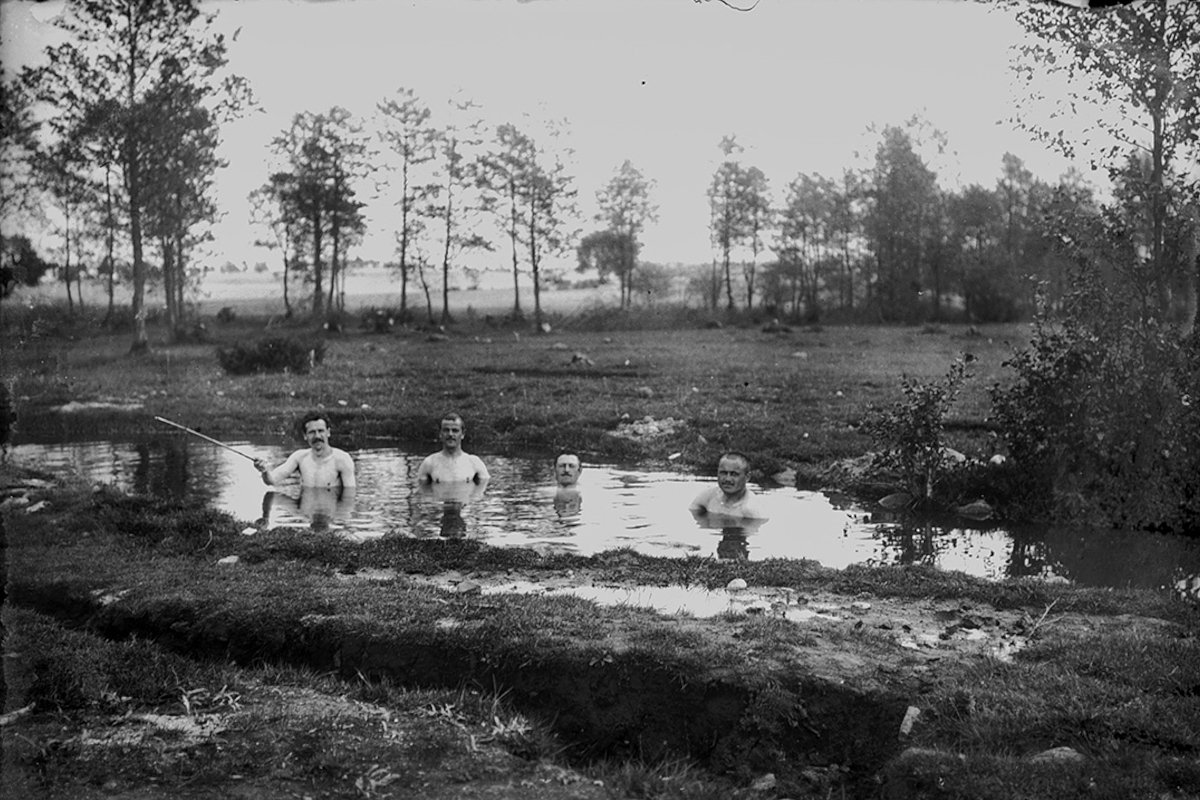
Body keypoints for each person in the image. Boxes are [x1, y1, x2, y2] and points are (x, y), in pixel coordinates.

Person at [253, 411, 356, 489]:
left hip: (332, 511)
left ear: (328, 433)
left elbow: (349, 497)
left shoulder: (343, 459)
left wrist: (341, 517)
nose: (317, 436)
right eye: (312, 432)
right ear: (305, 436)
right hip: (307, 511)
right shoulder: (299, 457)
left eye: (321, 431)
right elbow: (272, 480)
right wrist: (264, 471)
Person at [416, 412, 490, 484]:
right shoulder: (429, 463)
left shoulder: (475, 463)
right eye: (446, 430)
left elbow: (481, 491)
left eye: (455, 430)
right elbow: (424, 493)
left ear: (462, 434)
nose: (450, 434)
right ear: (440, 434)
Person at [689, 451, 766, 520]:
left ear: (747, 477)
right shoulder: (708, 497)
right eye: (723, 473)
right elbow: (691, 518)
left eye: (734, 474)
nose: (727, 479)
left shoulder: (752, 510)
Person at [552, 452, 583, 517]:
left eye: (571, 466)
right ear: (555, 470)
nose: (566, 470)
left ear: (579, 471)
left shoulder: (586, 494)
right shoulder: (543, 493)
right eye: (562, 466)